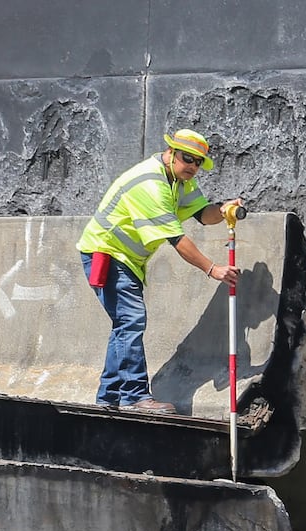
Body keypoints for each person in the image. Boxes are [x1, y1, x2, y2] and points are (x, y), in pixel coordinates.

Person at [77, 129, 241, 413]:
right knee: (131, 320)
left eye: (198, 162)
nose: (192, 166)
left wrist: (223, 209)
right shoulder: (151, 184)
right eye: (187, 158)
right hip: (107, 254)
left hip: (126, 260)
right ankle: (134, 397)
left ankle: (109, 398)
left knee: (124, 325)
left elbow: (203, 215)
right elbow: (176, 239)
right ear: (171, 153)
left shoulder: (179, 181)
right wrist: (212, 268)